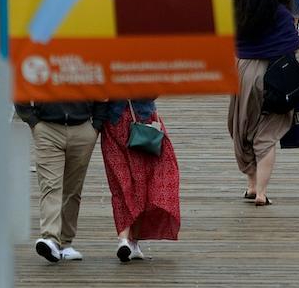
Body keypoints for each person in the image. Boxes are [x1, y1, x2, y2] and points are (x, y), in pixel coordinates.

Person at [229, 0, 299, 207]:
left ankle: (250, 184)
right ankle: (261, 192)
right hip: (272, 73)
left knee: (243, 128)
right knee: (267, 134)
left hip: (242, 71)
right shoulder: (279, 13)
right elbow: (292, 43)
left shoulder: (238, 10)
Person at [15, 99, 108, 262]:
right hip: (47, 128)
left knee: (73, 189)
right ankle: (50, 238)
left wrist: (96, 126)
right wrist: (32, 121)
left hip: (83, 129)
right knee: (51, 186)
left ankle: (65, 243)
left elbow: (102, 91)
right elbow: (21, 89)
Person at [98, 98, 181, 262]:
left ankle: (127, 240)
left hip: (122, 122)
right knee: (134, 181)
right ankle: (129, 241)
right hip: (139, 122)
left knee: (126, 182)